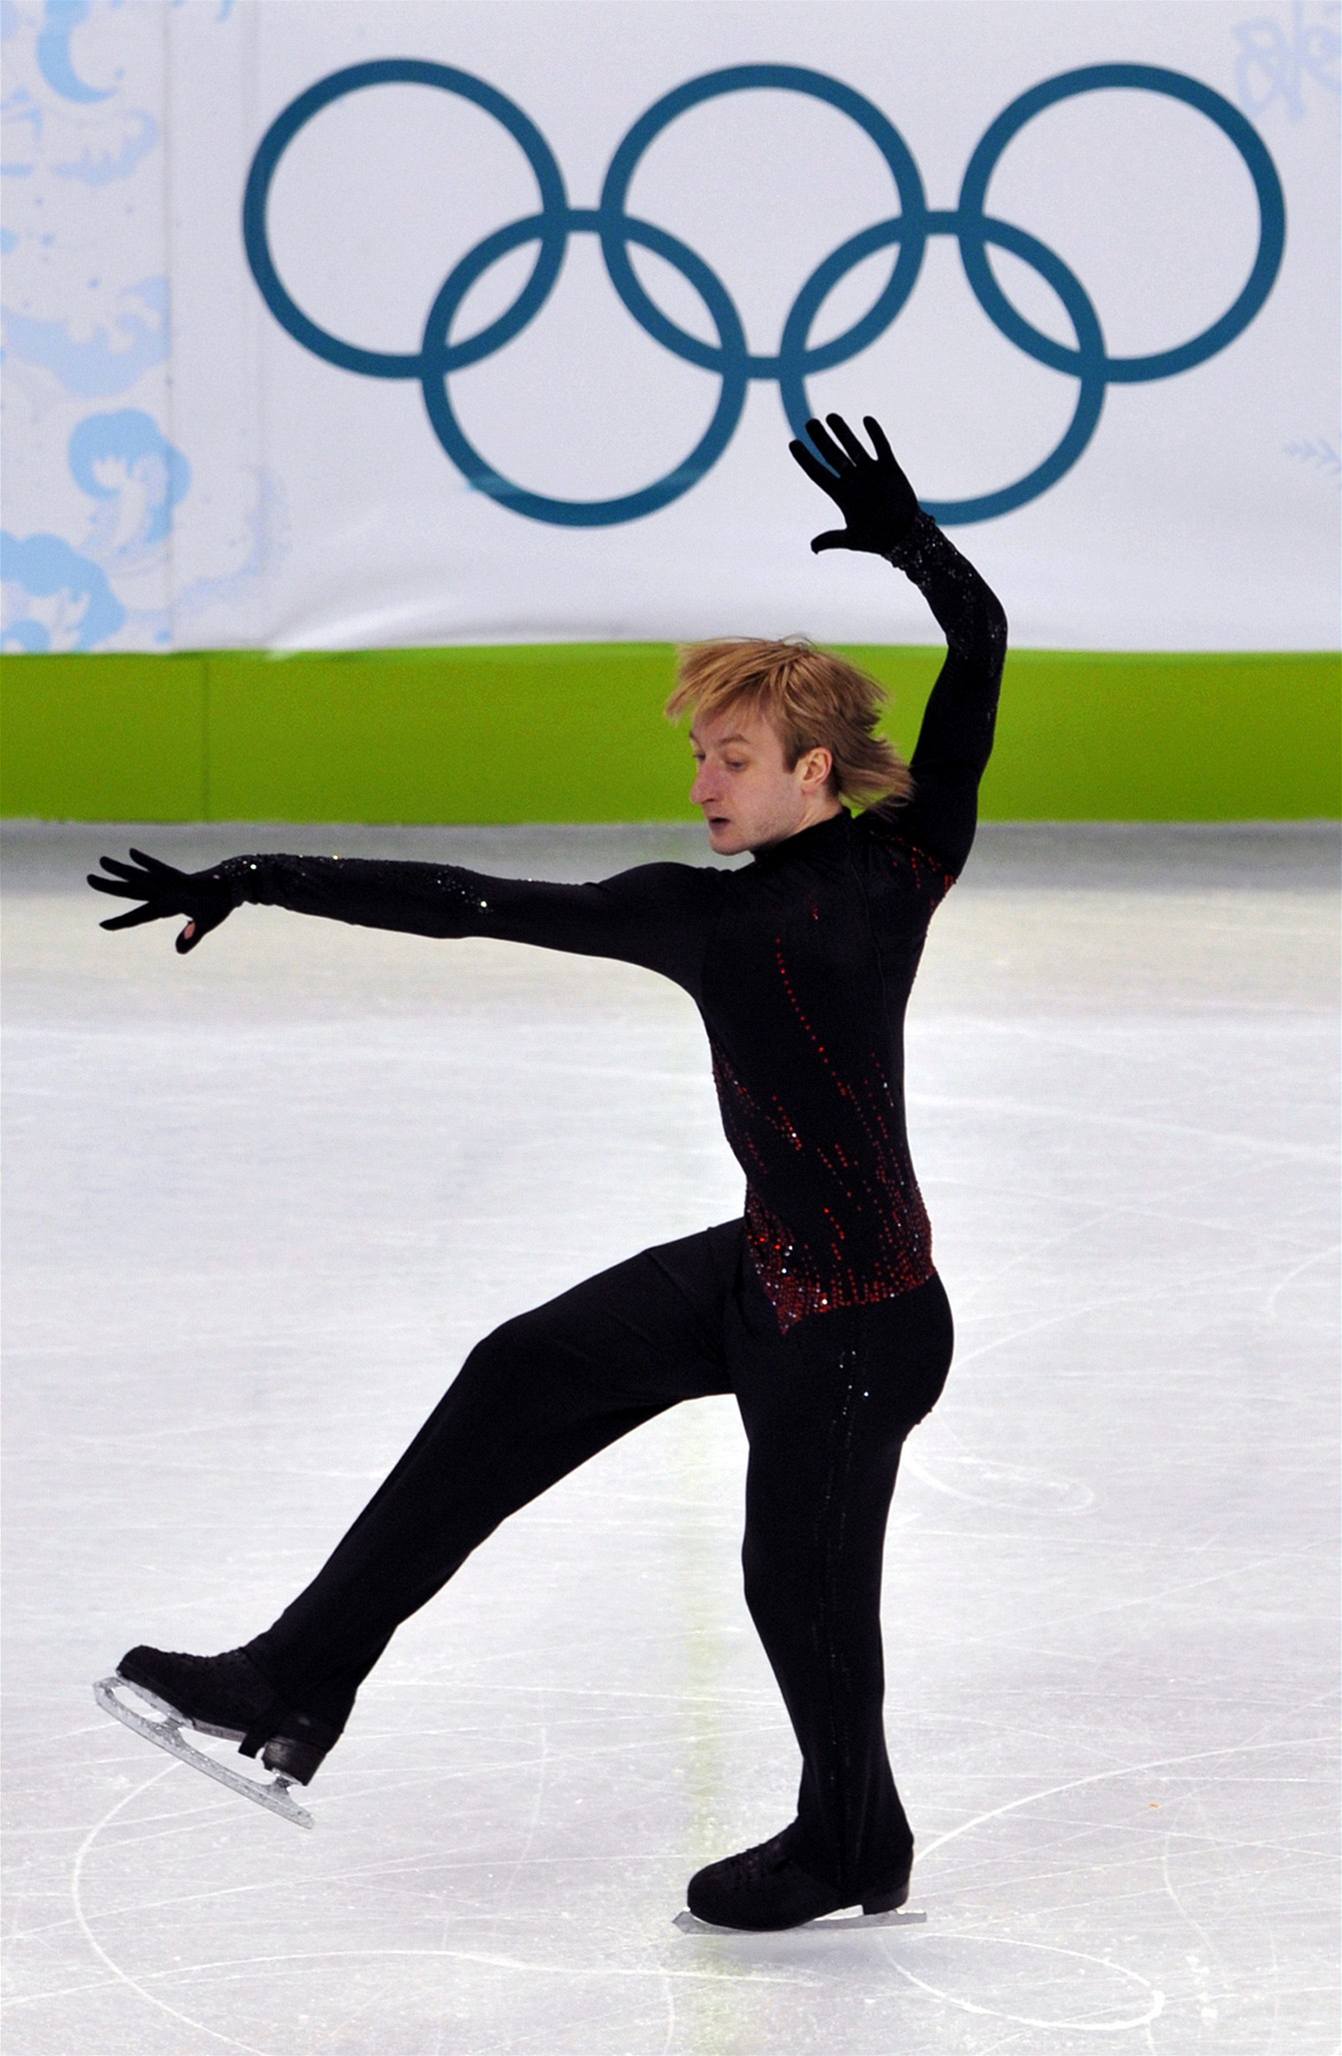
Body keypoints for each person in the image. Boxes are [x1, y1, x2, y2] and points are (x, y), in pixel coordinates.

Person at [87, 411, 1008, 1931]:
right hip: (762, 1273)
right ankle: (296, 1675)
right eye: (697, 755)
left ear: (814, 771)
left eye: (731, 758)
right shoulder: (790, 888)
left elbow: (974, 645)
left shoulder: (828, 885)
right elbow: (468, 902)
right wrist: (254, 874)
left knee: (799, 1591)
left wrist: (911, 540)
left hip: (860, 1329)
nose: (702, 783)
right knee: (523, 1369)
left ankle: (855, 1841)